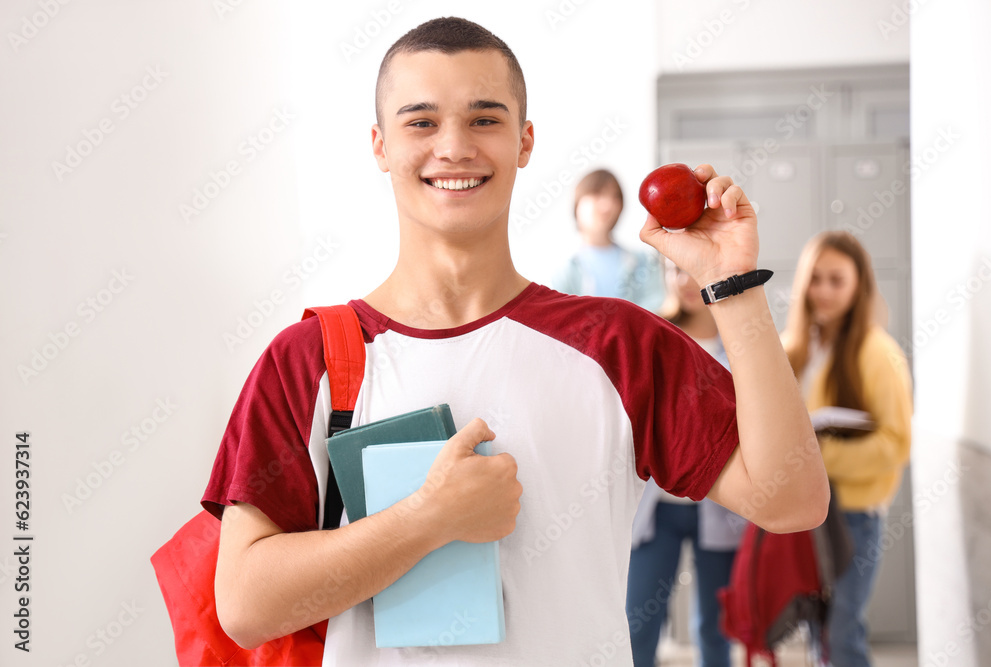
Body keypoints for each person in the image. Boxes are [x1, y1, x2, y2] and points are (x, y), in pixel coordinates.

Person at [203, 17, 829, 666]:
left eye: (484, 119)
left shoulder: (619, 343)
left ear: (524, 140)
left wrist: (735, 286)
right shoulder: (306, 359)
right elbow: (245, 604)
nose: (453, 147)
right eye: (420, 122)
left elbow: (793, 499)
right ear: (379, 144)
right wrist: (428, 518)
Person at [781, 231, 912, 667]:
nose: (823, 290)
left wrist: (814, 458)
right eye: (815, 278)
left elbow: (895, 446)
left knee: (842, 633)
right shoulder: (792, 347)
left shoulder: (878, 353)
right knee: (818, 632)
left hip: (853, 517)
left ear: (859, 285)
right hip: (805, 514)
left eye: (837, 280)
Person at [626, 263, 747, 667]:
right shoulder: (652, 334)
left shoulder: (742, 344)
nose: (685, 282)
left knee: (715, 631)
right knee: (638, 625)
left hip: (722, 509)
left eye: (694, 271)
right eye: (675, 270)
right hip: (658, 509)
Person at [551, 169, 664, 311]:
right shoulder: (564, 271)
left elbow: (655, 311)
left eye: (614, 197)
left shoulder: (643, 262)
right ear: (577, 204)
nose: (607, 205)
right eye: (597, 194)